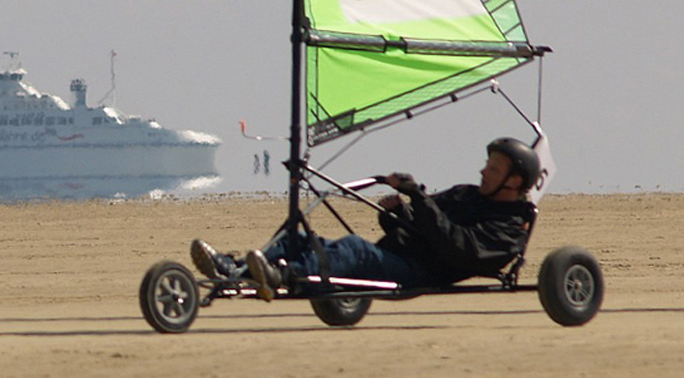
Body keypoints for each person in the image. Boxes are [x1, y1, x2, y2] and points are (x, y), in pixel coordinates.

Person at [191, 137, 541, 301]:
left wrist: (416, 197)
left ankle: (285, 275)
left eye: (493, 169)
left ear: (514, 181)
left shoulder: (509, 228)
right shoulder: (466, 193)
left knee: (354, 250)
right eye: (487, 164)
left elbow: (457, 247)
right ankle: (233, 271)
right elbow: (422, 223)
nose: (483, 171)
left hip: (419, 273)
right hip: (398, 256)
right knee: (300, 238)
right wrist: (397, 213)